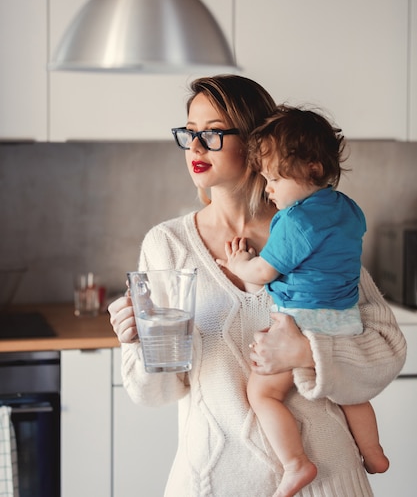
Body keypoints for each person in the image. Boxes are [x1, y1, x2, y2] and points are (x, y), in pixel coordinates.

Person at [108, 74, 406, 497]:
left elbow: (387, 350)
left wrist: (307, 352)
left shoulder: (313, 229)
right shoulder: (167, 245)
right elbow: (155, 392)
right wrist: (139, 340)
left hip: (328, 484)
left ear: (254, 143)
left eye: (211, 134)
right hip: (212, 484)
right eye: (189, 134)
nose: (194, 148)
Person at [216, 105, 389, 497]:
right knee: (351, 394)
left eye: (274, 177)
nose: (268, 187)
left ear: (312, 167)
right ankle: (374, 453)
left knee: (263, 393)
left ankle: (296, 463)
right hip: (344, 318)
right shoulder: (347, 208)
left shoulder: (296, 220)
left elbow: (263, 273)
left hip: (302, 319)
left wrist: (239, 262)